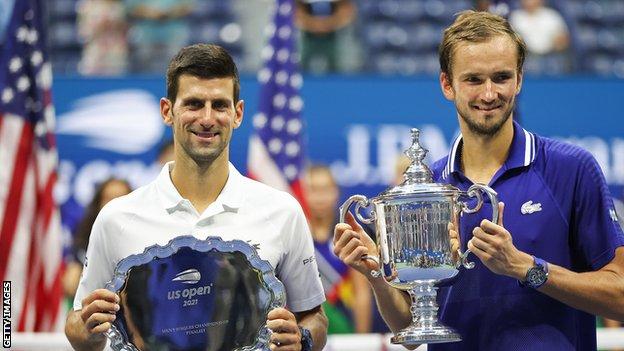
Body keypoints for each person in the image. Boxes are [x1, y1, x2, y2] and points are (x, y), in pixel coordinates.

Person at [334, 10, 624, 351]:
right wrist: (375, 272)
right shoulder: (429, 188)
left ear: (519, 80)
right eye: (473, 80)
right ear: (447, 84)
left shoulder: (572, 169)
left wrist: (527, 268)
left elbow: (619, 295)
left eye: (501, 77)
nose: (489, 94)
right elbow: (412, 330)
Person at [64, 43, 328, 351]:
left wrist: (303, 339)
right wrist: (88, 328)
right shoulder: (117, 217)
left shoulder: (282, 211)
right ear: (167, 111)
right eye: (193, 103)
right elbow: (76, 322)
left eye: (219, 105)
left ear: (237, 113)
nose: (206, 118)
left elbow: (314, 316)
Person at [303, 164, 372, 334]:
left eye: (325, 189)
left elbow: (361, 293)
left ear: (336, 192)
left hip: (344, 327)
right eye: (313, 190)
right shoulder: (297, 235)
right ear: (302, 192)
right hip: (304, 330)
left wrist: (361, 342)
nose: (320, 197)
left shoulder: (349, 234)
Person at [62, 178, 132, 306]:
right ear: (98, 203)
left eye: (121, 198)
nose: (114, 204)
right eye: (108, 198)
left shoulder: (142, 241)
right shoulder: (84, 239)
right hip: (92, 310)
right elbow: (70, 285)